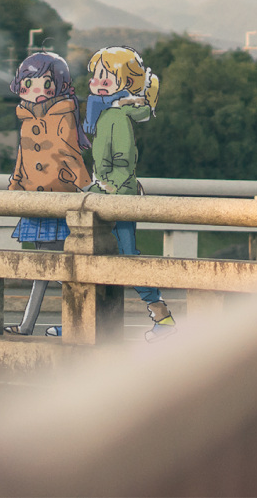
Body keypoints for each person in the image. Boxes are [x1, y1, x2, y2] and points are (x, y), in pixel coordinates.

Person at [46, 45, 175, 342]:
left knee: (127, 258)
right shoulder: (107, 113)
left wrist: (107, 188)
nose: (99, 80)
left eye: (108, 75)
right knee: (91, 255)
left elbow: (123, 160)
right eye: (97, 74)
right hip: (107, 194)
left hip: (118, 197)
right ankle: (81, 320)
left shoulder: (116, 117)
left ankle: (163, 318)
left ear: (127, 82)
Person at [4, 52, 92, 335]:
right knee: (46, 271)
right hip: (36, 204)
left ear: (61, 84)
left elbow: (70, 155)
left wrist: (86, 189)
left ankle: (77, 321)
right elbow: (23, 157)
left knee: (54, 271)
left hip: (58, 203)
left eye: (45, 83)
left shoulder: (63, 115)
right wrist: (15, 184)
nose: (37, 90)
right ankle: (36, 324)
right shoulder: (27, 118)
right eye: (29, 83)